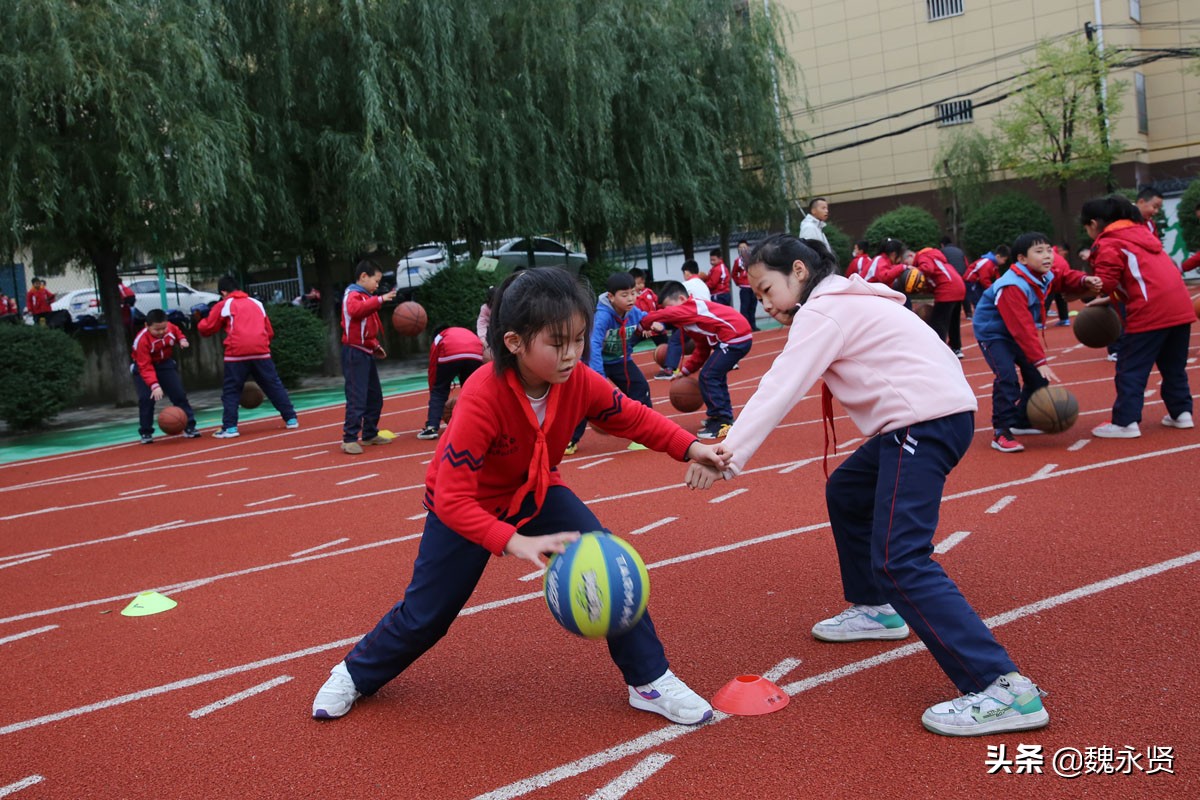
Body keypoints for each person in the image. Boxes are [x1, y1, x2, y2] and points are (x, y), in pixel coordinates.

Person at [311, 267, 727, 725]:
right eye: (558, 343)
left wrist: (693, 448)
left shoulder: (578, 380)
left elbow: (631, 417)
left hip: (537, 490)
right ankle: (353, 672)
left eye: (579, 340)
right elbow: (450, 499)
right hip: (467, 508)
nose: (572, 355)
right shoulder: (481, 396)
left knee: (610, 567)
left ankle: (649, 681)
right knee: (426, 616)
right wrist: (512, 540)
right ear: (514, 342)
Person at [685, 233, 1050, 737]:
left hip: (920, 423)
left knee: (901, 559)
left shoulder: (824, 310)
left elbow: (781, 384)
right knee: (849, 491)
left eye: (766, 290)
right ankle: (876, 610)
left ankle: (1004, 688)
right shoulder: (848, 297)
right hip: (934, 417)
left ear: (797, 270)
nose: (764, 304)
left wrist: (727, 455)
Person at [972, 233, 1101, 453]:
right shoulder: (1012, 285)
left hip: (1014, 331)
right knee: (1007, 378)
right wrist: (1040, 360)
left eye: (1048, 250)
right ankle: (1001, 431)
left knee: (1037, 378)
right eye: (1039, 251)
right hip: (993, 334)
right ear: (1022, 259)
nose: (1047, 255)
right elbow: (1021, 328)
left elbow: (1062, 278)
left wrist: (1083, 280)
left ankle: (1021, 420)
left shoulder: (1044, 275)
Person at [1082, 195, 1195, 438]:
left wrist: (1076, 286)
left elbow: (1106, 281)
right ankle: (1182, 413)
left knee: (1131, 367)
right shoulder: (1143, 235)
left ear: (1093, 223)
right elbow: (1140, 276)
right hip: (1180, 308)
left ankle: (1125, 422)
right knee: (1173, 366)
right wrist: (1110, 297)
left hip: (1150, 311)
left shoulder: (1109, 243)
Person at [639, 280, 753, 439]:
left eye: (669, 307)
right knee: (714, 375)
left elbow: (668, 315)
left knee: (708, 375)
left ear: (681, 299)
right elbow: (702, 349)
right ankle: (721, 416)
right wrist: (685, 370)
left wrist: (644, 321)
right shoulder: (689, 323)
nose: (668, 312)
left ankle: (723, 420)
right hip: (735, 338)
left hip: (736, 338)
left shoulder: (693, 306)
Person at [197, 275, 299, 438]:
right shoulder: (256, 303)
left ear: (223, 292)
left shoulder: (224, 304)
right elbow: (269, 331)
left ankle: (230, 427)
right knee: (273, 384)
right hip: (260, 351)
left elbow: (207, 328)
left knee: (232, 390)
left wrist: (200, 319)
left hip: (236, 353)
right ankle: (291, 418)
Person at [340, 262, 397, 454]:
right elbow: (356, 311)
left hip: (364, 351)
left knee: (375, 396)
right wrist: (381, 299)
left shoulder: (365, 297)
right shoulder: (353, 295)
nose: (377, 285)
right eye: (376, 280)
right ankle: (349, 438)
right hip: (354, 353)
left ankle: (370, 433)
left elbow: (365, 330)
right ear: (363, 276)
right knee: (357, 396)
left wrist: (374, 345)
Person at [131, 308, 201, 443]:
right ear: (146, 326)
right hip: (144, 367)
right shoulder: (141, 341)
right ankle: (146, 432)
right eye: (157, 330)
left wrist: (182, 339)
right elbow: (145, 366)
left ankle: (189, 426)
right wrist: (154, 385)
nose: (161, 332)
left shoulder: (169, 328)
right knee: (146, 399)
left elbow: (176, 331)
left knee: (179, 394)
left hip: (165, 364)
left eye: (163, 328)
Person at [588, 271, 652, 413]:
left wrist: (656, 323)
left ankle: (647, 430)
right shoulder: (602, 317)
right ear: (611, 297)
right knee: (584, 400)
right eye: (624, 295)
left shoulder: (633, 311)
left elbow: (646, 317)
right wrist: (599, 376)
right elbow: (594, 345)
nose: (630, 298)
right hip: (597, 362)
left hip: (620, 361)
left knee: (640, 388)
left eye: (633, 293)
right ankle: (571, 435)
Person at [420, 326, 485, 440]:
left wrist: (434, 389)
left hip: (450, 354)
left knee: (439, 390)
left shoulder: (439, 337)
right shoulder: (466, 332)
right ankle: (479, 423)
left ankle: (432, 428)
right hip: (476, 354)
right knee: (472, 391)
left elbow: (433, 368)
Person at [655, 260, 713, 381]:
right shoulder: (703, 284)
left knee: (675, 340)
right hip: (707, 318)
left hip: (693, 319)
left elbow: (671, 301)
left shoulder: (686, 285)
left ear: (686, 272)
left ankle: (670, 369)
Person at [913, 245, 967, 358]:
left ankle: (938, 353)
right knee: (953, 321)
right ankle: (957, 348)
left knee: (938, 322)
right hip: (959, 286)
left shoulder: (922, 257)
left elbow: (927, 269)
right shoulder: (938, 258)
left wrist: (914, 272)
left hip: (947, 290)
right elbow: (935, 277)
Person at [963, 246, 1009, 319]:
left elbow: (997, 278)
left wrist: (1000, 286)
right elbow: (984, 279)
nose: (1004, 263)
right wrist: (992, 289)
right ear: (998, 256)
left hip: (978, 282)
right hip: (971, 282)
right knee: (977, 300)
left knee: (981, 298)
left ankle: (983, 316)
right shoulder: (987, 263)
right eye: (1004, 260)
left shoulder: (994, 264)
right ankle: (980, 318)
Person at [730, 240, 759, 331]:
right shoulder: (737, 261)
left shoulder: (753, 259)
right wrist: (739, 283)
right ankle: (745, 327)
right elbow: (734, 273)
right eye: (741, 247)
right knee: (744, 307)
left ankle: (753, 325)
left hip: (753, 287)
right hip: (744, 288)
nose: (743, 249)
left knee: (752, 307)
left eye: (745, 247)